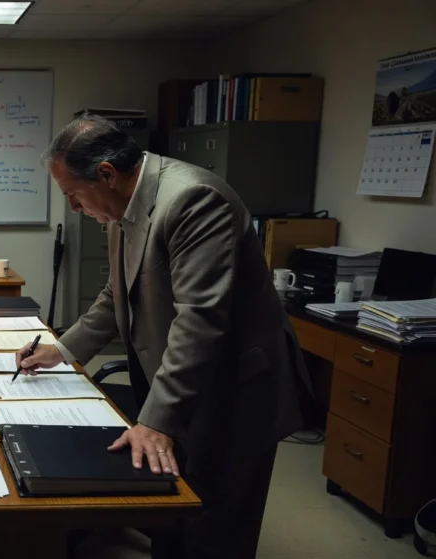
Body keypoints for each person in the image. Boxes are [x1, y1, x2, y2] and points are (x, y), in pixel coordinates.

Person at [17, 115, 310, 558]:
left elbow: (201, 320)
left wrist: (154, 421)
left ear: (106, 174)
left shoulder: (193, 200)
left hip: (235, 391)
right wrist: (60, 349)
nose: (74, 209)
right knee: (175, 511)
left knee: (216, 522)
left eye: (73, 196)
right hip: (183, 382)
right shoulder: (122, 203)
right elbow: (116, 294)